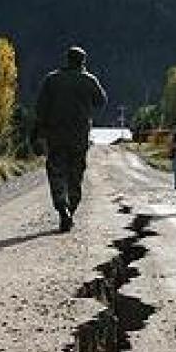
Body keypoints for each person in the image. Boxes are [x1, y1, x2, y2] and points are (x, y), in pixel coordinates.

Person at [35, 46, 107, 232]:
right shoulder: (89, 79)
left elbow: (40, 108)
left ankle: (62, 208)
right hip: (79, 137)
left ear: (67, 59)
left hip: (56, 136)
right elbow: (101, 101)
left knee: (56, 173)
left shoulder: (52, 79)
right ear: (83, 61)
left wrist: (39, 132)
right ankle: (70, 210)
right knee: (76, 175)